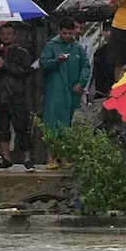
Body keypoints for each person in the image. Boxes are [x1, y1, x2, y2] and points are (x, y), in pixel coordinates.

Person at [41, 18, 91, 163]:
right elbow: (43, 63)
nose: (68, 36)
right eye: (65, 33)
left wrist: (81, 83)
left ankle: (64, 157)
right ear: (59, 31)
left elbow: (86, 66)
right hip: (55, 92)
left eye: (70, 33)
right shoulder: (51, 45)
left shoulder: (78, 48)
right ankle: (50, 158)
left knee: (68, 125)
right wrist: (57, 61)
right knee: (51, 123)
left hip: (73, 92)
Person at [0, 24, 35, 171]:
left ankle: (27, 158)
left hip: (17, 96)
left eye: (8, 34)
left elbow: (25, 71)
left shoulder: (22, 53)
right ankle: (6, 157)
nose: (5, 36)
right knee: (2, 129)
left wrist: (6, 66)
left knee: (22, 129)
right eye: (3, 34)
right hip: (0, 96)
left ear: (14, 36)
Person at [90, 25, 116, 98]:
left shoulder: (121, 51)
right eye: (106, 31)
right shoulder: (100, 52)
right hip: (101, 91)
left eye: (110, 30)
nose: (108, 33)